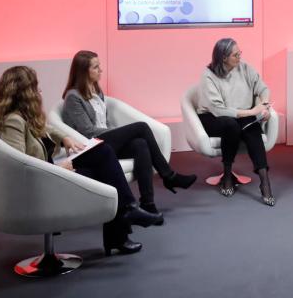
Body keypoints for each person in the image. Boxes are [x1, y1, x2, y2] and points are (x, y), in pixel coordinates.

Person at [0, 66, 162, 256]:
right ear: (24, 93)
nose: (39, 92)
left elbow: (46, 128)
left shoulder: (22, 115)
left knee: (104, 157)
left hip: (48, 173)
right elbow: (19, 165)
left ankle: (124, 220)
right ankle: (122, 224)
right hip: (42, 181)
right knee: (105, 160)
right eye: (35, 88)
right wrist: (60, 168)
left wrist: (64, 138)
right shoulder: (13, 121)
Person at [60, 50, 197, 215]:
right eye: (96, 67)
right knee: (141, 127)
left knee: (141, 144)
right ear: (83, 71)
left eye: (99, 66)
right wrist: (118, 132)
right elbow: (87, 130)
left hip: (106, 141)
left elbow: (103, 120)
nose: (100, 70)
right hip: (91, 145)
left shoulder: (96, 90)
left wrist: (117, 134)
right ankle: (169, 176)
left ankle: (148, 204)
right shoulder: (73, 97)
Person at [197, 38, 276, 206]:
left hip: (240, 114)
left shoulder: (244, 68)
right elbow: (218, 109)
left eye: (240, 53)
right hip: (213, 117)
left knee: (252, 127)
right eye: (235, 54)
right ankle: (227, 175)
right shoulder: (208, 75)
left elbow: (262, 88)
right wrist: (251, 112)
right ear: (223, 57)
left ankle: (265, 181)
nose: (239, 56)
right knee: (231, 125)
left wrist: (264, 107)